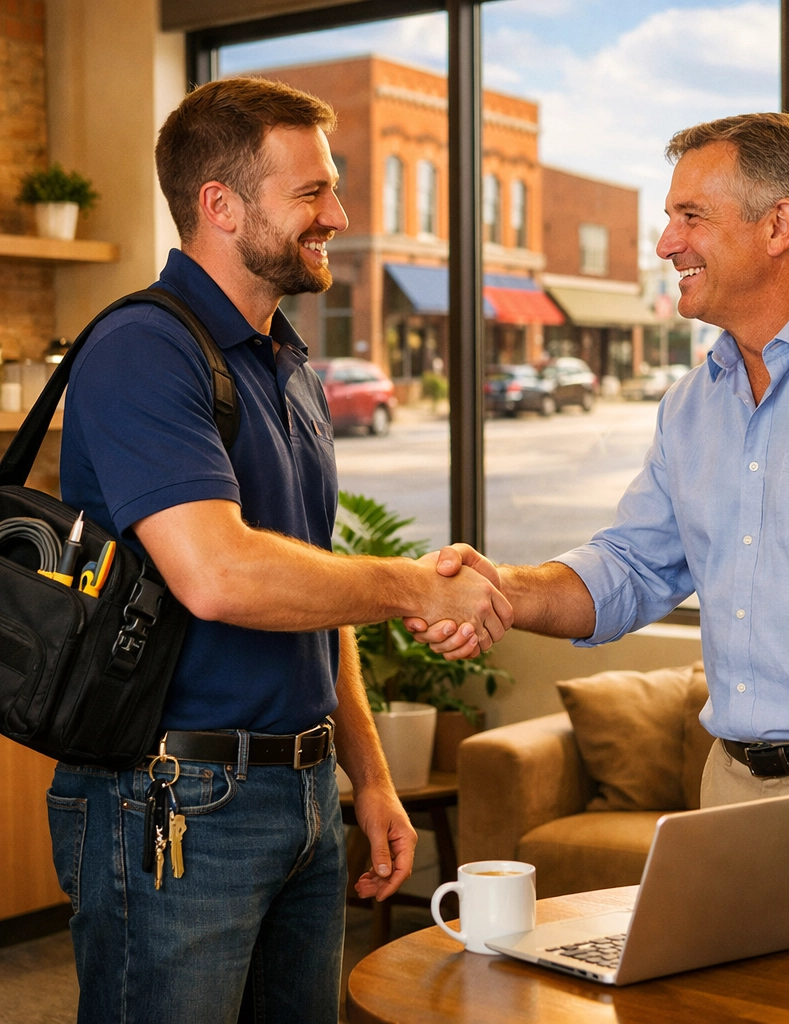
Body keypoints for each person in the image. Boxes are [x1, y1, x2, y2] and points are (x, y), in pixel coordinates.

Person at [411, 112, 789, 878]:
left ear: (778, 226)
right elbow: (632, 566)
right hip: (731, 789)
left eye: (688, 216)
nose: (665, 243)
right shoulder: (692, 405)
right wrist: (505, 590)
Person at [49, 77, 512, 1024]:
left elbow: (314, 584)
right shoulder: (145, 349)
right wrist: (415, 586)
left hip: (299, 798)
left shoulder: (285, 362)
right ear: (219, 206)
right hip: (174, 802)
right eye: (311, 194)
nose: (337, 215)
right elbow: (219, 575)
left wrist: (369, 775)